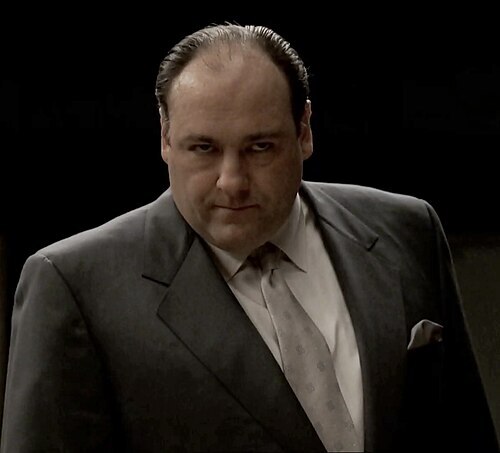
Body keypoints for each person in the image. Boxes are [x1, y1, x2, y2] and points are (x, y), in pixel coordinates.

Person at [1, 23, 497, 452]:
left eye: (260, 147)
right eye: (203, 148)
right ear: (165, 138)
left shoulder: (407, 229)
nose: (231, 182)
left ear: (304, 130)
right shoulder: (73, 285)